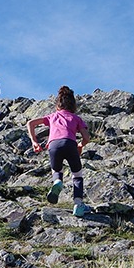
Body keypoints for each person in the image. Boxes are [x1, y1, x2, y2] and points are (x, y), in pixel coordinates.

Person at [26, 86, 92, 217]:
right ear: (73, 106)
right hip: (70, 144)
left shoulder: (52, 116)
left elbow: (31, 123)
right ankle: (78, 205)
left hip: (53, 145)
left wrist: (34, 142)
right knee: (77, 174)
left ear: (58, 105)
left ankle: (57, 182)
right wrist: (80, 145)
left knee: (56, 170)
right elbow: (86, 137)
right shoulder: (76, 118)